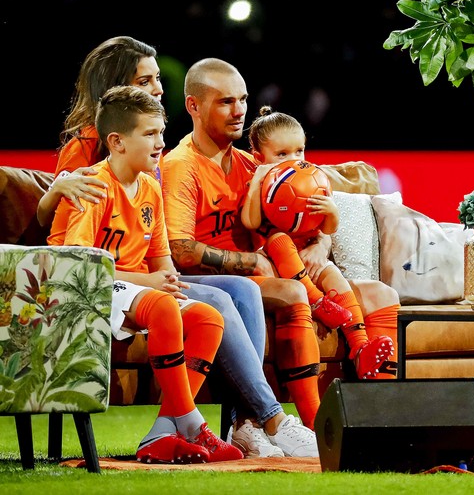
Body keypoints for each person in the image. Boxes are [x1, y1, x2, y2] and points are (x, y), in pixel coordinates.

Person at [39, 36, 316, 458]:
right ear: (118, 135)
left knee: (234, 294)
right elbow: (71, 251)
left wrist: (324, 230)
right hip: (103, 280)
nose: (157, 90)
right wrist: (55, 189)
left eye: (157, 84)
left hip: (137, 277)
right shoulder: (92, 168)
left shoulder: (149, 178)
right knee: (216, 300)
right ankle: (269, 418)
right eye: (147, 81)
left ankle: (220, 425)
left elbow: (163, 253)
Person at [160, 58, 400, 433]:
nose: (239, 110)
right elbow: (180, 250)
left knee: (380, 294)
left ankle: (383, 421)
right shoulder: (181, 165)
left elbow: (305, 214)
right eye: (225, 102)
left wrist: (321, 240)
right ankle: (309, 425)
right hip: (209, 280)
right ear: (193, 105)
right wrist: (249, 262)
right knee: (292, 292)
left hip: (272, 269)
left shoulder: (251, 163)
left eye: (242, 99)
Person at [48, 86, 242, 464]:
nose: (161, 143)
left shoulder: (151, 186)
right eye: (150, 134)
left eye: (162, 133)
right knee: (161, 306)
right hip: (82, 290)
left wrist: (166, 282)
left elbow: (161, 261)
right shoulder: (94, 184)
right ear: (117, 141)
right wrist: (150, 285)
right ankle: (191, 421)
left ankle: (161, 432)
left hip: (131, 291)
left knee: (207, 317)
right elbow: (79, 265)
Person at [241, 106, 393, 379]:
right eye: (282, 154)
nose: (294, 159)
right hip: (277, 266)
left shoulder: (313, 181)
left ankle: (360, 348)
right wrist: (256, 183)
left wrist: (331, 213)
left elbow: (328, 227)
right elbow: (251, 223)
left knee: (334, 275)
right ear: (259, 158)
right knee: (278, 239)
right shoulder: (261, 186)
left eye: (299, 151)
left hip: (309, 261)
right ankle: (317, 302)